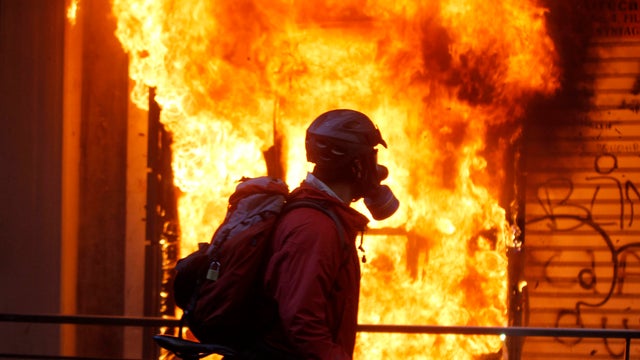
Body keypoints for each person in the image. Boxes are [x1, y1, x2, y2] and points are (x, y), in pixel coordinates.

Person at [258, 109, 399, 359]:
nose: (377, 170)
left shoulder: (321, 217)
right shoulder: (316, 229)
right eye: (372, 158)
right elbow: (304, 326)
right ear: (357, 164)